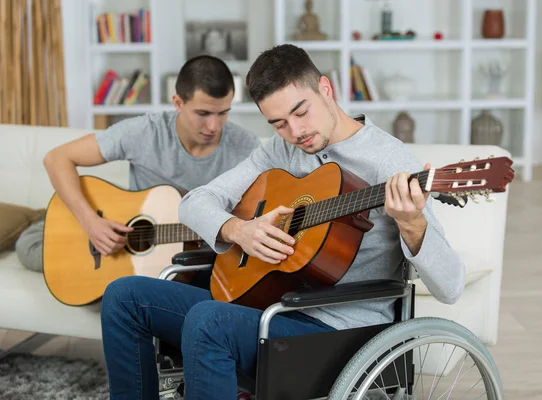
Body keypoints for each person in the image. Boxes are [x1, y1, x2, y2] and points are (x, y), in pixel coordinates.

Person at [100, 44, 466, 400]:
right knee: (123, 296)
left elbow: (450, 287)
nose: (296, 132)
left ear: (325, 88)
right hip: (271, 307)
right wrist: (239, 230)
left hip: (339, 331)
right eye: (279, 124)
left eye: (301, 112)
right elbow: (195, 202)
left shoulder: (390, 161)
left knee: (210, 319)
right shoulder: (280, 150)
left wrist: (412, 223)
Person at [15, 55, 261, 272]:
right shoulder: (145, 131)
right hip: (123, 228)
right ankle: (38, 217)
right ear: (178, 103)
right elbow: (57, 158)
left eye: (223, 113)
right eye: (203, 114)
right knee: (31, 247)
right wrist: (90, 222)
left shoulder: (247, 148)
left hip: (184, 254)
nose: (214, 127)